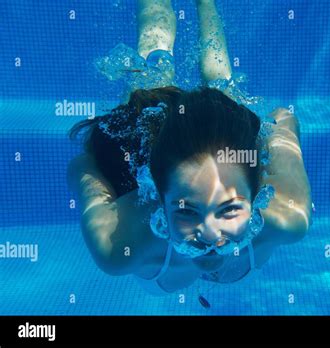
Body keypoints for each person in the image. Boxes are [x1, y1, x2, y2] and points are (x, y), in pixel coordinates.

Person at [67, 0, 312, 295]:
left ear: (258, 194)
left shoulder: (288, 217)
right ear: (158, 196)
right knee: (150, 84)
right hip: (160, 152)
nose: (210, 237)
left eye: (230, 209)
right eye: (186, 211)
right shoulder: (118, 244)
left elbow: (284, 119)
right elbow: (81, 166)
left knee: (221, 90)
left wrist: (244, 131)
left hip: (218, 153)